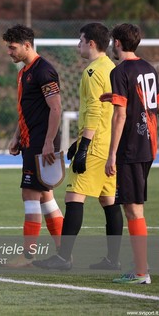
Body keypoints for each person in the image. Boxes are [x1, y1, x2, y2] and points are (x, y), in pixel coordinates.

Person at [32, 23, 124, 271]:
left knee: (74, 197)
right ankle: (113, 260)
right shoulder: (112, 68)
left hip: (94, 146)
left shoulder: (93, 71)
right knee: (109, 201)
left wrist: (83, 145)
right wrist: (78, 142)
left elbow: (95, 109)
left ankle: (63, 258)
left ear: (91, 43)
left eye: (80, 40)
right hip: (108, 144)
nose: (78, 45)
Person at [2, 24, 64, 267]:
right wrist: (17, 136)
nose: (9, 52)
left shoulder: (44, 70)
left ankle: (28, 255)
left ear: (27, 45)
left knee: (30, 194)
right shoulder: (23, 71)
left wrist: (48, 142)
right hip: (31, 141)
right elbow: (26, 109)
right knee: (45, 196)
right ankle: (64, 251)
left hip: (42, 142)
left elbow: (56, 108)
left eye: (12, 47)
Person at [104, 23, 156, 284]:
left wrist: (112, 154)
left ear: (116, 42)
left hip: (130, 148)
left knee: (133, 210)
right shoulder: (148, 68)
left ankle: (141, 272)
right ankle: (141, 269)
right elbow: (146, 103)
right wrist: (113, 96)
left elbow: (121, 114)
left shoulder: (120, 70)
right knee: (133, 207)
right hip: (148, 146)